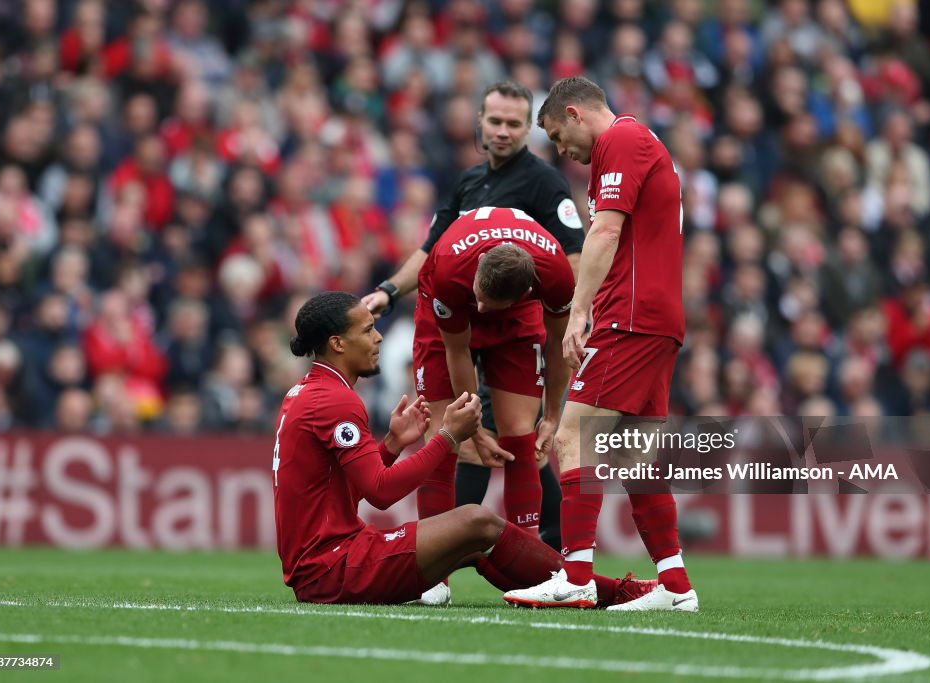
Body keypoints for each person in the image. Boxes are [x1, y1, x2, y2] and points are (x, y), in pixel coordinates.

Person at [272, 291, 656, 606]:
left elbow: (341, 492)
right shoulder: (334, 401)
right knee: (476, 520)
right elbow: (381, 492)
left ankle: (581, 590)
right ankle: (609, 589)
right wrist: (448, 438)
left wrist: (390, 445)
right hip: (333, 568)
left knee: (472, 540)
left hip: (328, 564)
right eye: (369, 330)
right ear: (338, 343)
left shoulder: (305, 394)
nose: (379, 338)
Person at [503, 77, 698, 611]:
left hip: (630, 317)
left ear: (575, 113)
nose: (562, 152)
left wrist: (580, 311)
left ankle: (576, 575)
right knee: (637, 460)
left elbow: (606, 233)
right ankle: (677, 589)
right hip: (656, 317)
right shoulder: (639, 143)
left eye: (558, 136)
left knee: (571, 439)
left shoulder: (620, 142)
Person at [363, 80, 584, 553]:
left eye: (513, 123)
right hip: (456, 305)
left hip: (517, 315)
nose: (502, 131)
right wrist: (388, 290)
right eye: (495, 121)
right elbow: (430, 252)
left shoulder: (546, 184)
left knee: (520, 436)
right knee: (458, 436)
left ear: (530, 129)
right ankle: (438, 559)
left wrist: (555, 406)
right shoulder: (468, 182)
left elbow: (574, 261)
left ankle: (535, 551)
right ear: (479, 124)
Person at [413, 207, 574, 542]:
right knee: (443, 431)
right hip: (447, 302)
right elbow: (458, 351)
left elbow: (558, 345)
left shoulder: (556, 275)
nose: (481, 311)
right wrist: (474, 430)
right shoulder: (452, 272)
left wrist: (553, 414)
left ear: (527, 294)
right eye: (480, 300)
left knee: (519, 433)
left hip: (514, 320)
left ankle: (528, 560)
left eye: (489, 305)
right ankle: (432, 577)